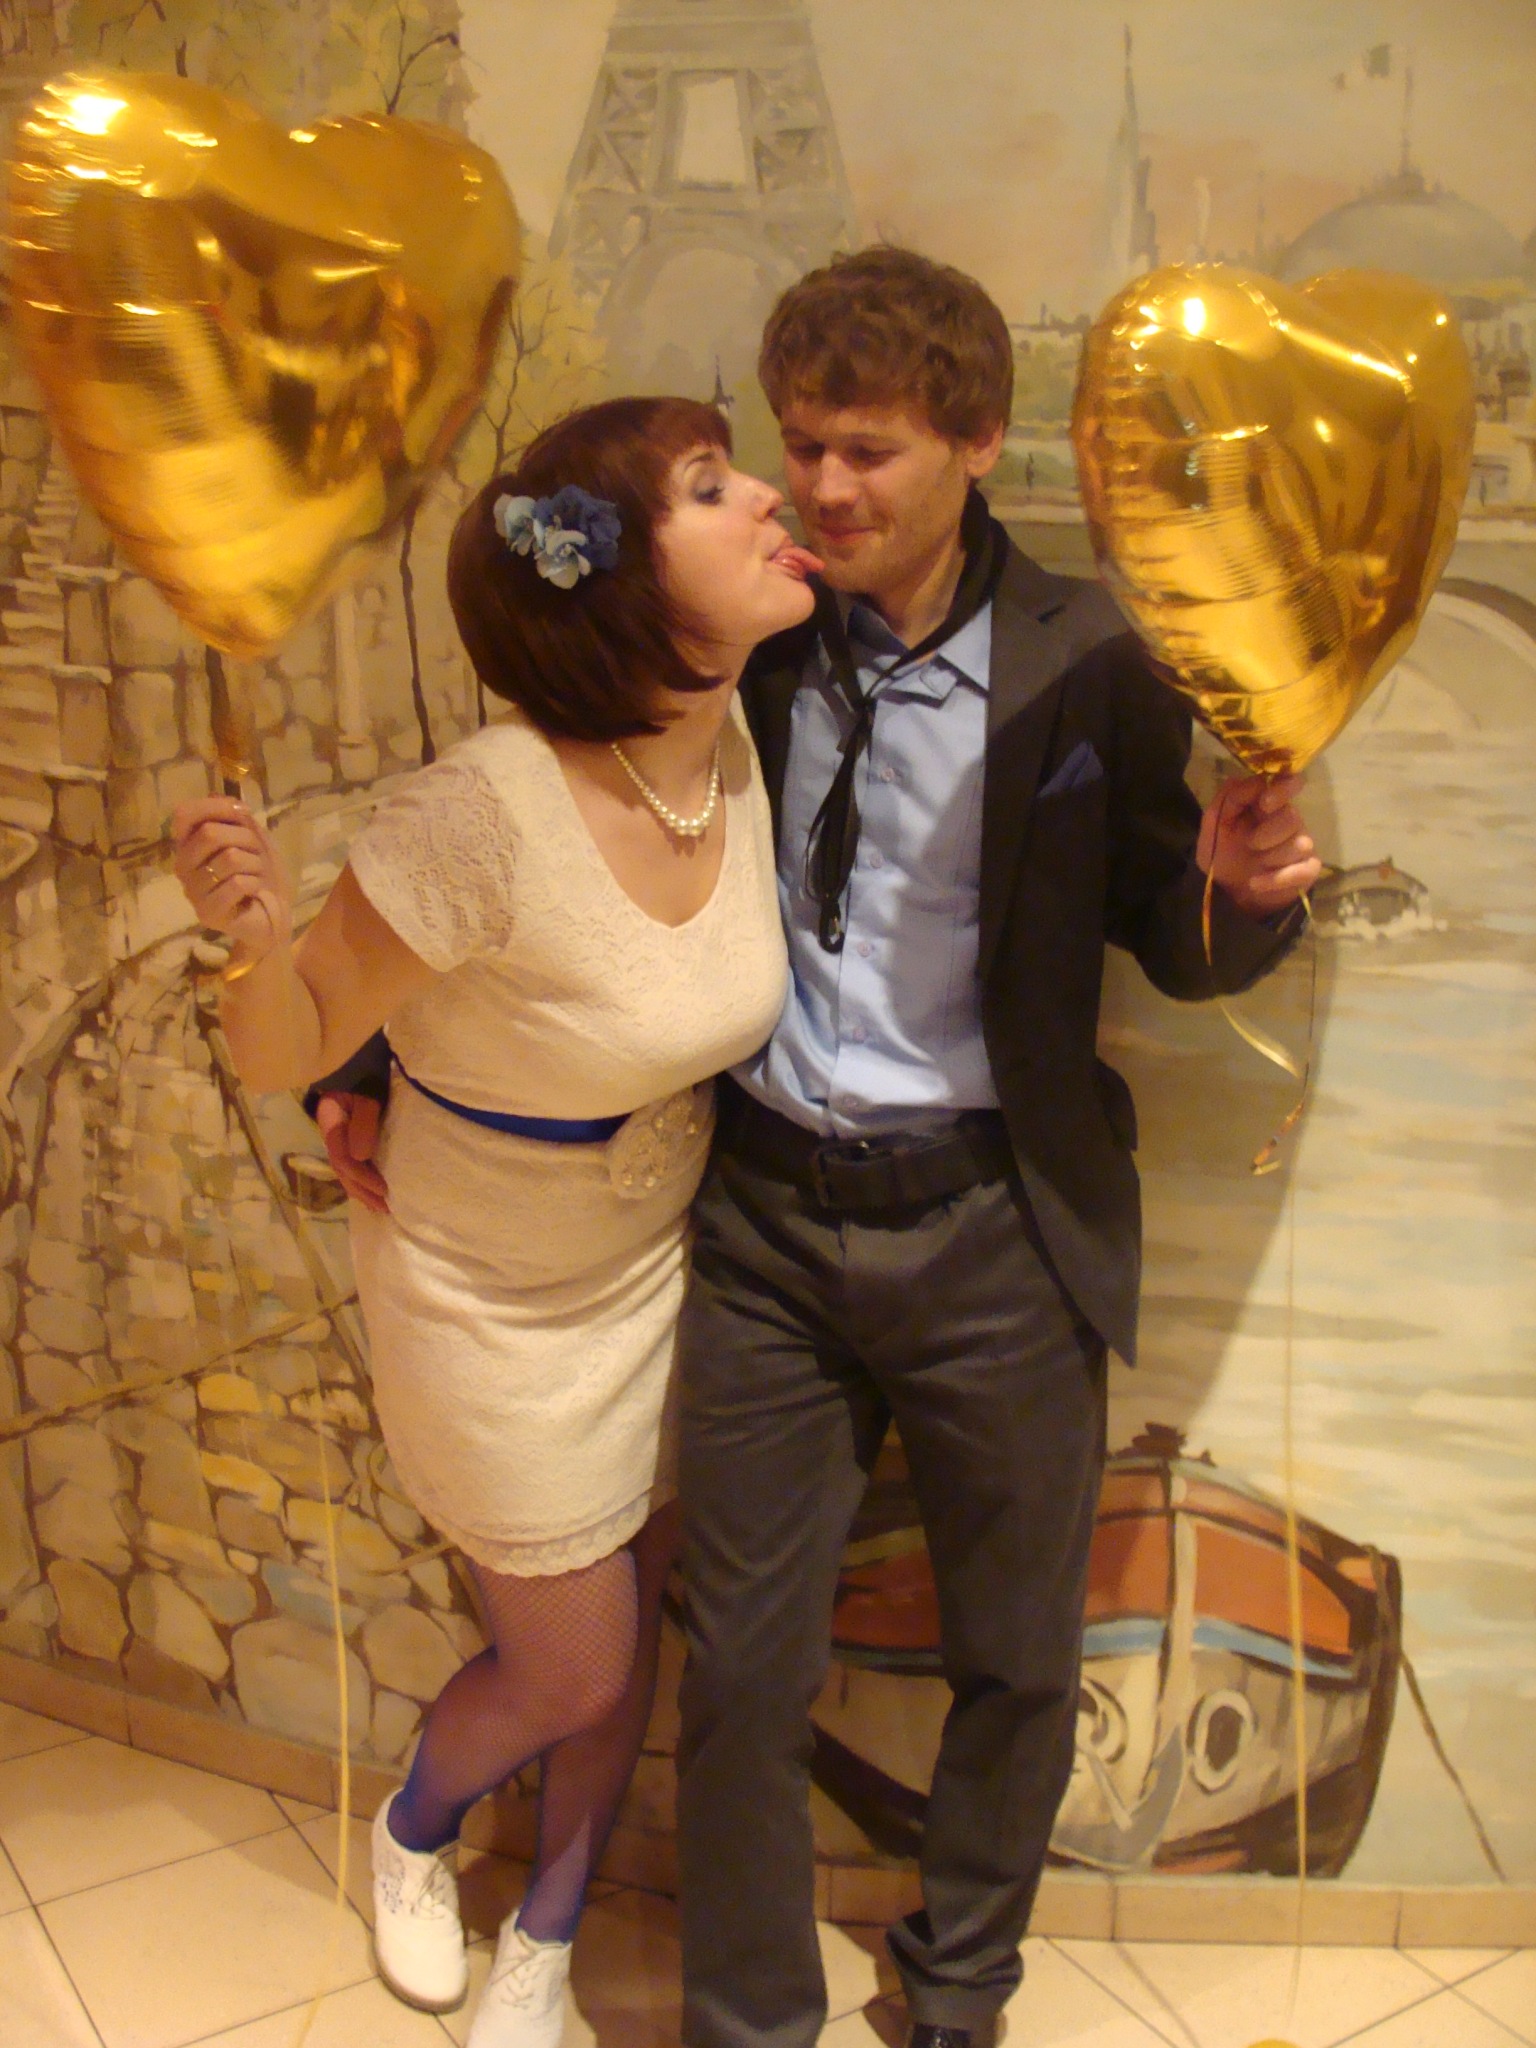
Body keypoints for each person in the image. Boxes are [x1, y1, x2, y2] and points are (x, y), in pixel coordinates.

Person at [315, 249, 1322, 2048]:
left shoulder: (1096, 661)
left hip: (1000, 1227)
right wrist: (366, 1056)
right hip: (764, 1220)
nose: (825, 490)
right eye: (803, 446)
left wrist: (1239, 897)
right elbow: (550, 850)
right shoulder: (746, 643)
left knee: (1018, 1657)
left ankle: (958, 1993)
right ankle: (748, 2023)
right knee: (747, 1666)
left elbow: (1169, 936)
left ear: (978, 441)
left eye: (869, 450)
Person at [171, 396, 819, 2048]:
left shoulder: (739, 743)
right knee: (573, 1664)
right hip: (483, 1289)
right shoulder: (483, 810)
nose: (768, 495)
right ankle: (415, 1822)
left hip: (665, 1266)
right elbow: (290, 1045)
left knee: (636, 1618)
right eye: (711, 484)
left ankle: (547, 1929)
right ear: (623, 583)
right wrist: (249, 941)